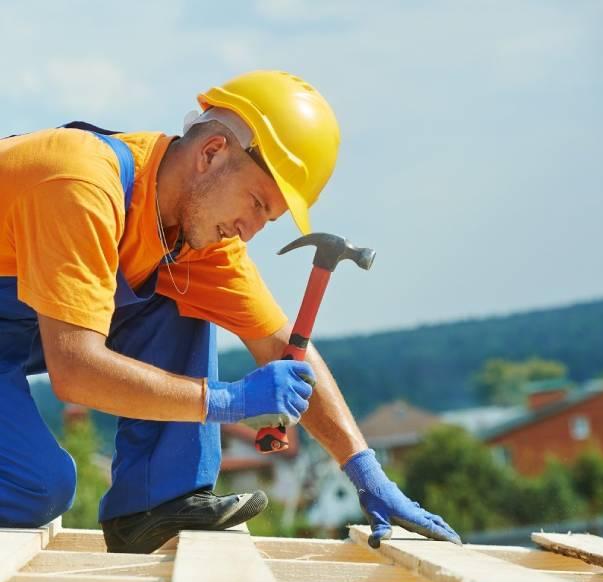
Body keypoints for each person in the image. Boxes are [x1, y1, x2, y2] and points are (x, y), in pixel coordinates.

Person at [0, 70, 460, 552]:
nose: (251, 230)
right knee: (37, 487)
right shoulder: (80, 184)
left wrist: (364, 471)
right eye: (257, 203)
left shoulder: (196, 235)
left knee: (175, 293)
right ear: (211, 153)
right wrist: (227, 400)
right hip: (48, 341)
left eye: (269, 218)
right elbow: (75, 370)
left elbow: (283, 348)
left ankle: (158, 502)